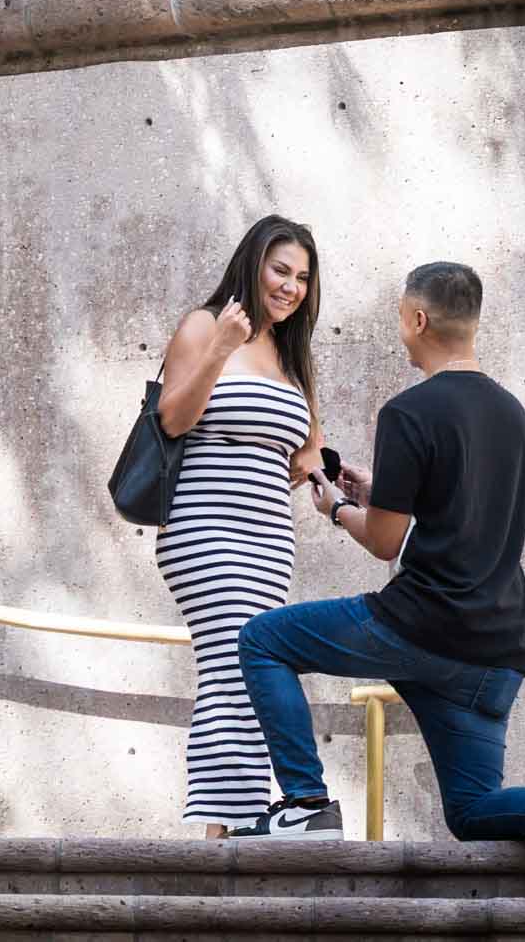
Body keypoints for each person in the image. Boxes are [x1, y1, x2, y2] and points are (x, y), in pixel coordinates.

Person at [230, 261, 525, 898]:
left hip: (418, 626)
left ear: (418, 318)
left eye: (400, 320)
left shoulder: (409, 411)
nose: (401, 333)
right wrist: (380, 493)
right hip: (494, 652)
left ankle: (305, 803)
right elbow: (459, 513)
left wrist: (336, 508)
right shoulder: (512, 414)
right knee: (470, 809)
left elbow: (386, 542)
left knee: (263, 641)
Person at [153, 215, 324, 838]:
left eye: (302, 277)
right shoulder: (206, 324)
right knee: (231, 667)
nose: (291, 287)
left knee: (252, 671)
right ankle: (217, 838)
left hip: (269, 537)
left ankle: (239, 828)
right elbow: (173, 418)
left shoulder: (289, 350)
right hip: (204, 529)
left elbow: (308, 449)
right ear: (253, 263)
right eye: (281, 269)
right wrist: (223, 346)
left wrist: (315, 460)